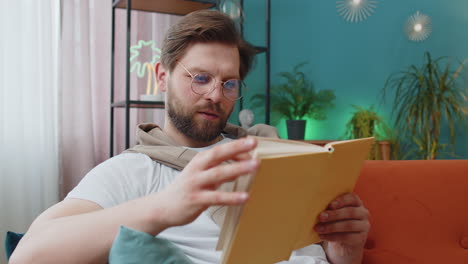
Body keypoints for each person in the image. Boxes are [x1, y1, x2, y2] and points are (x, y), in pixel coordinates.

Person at [10, 10, 369, 264]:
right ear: (162, 78)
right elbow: (29, 255)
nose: (216, 94)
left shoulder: (274, 153)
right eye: (200, 78)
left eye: (229, 83)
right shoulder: (131, 171)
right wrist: (167, 206)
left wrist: (345, 252)